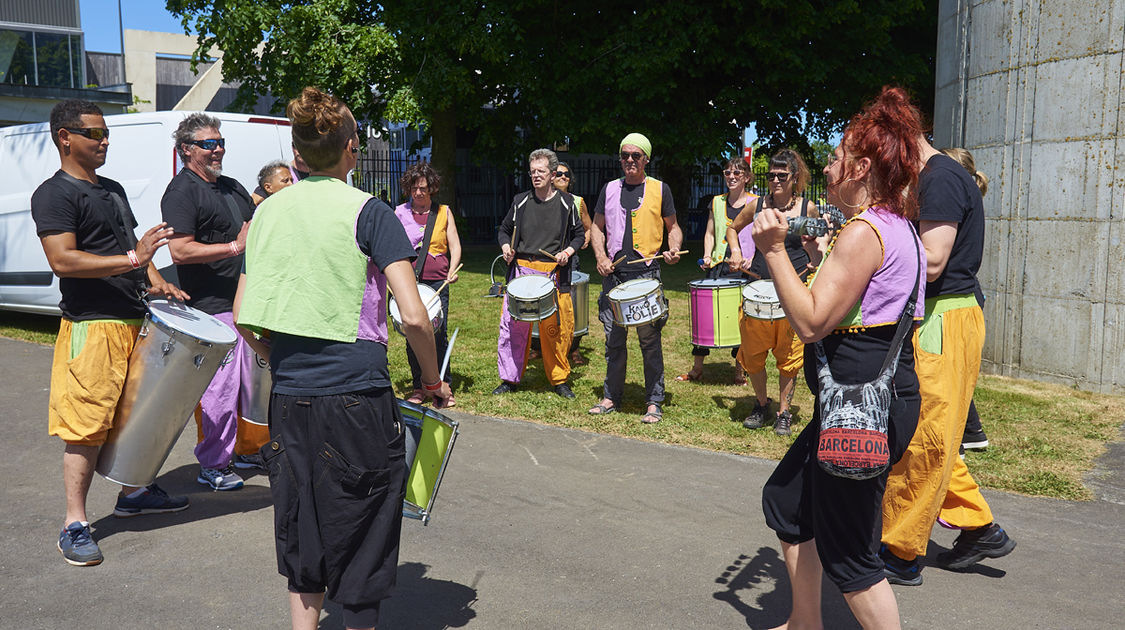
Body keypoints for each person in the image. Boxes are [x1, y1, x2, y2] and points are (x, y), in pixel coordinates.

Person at [235, 86, 451, 630]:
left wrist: (278, 358)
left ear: (299, 153)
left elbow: (243, 316)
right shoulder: (370, 212)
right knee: (363, 534)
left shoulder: (265, 214)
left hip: (289, 399)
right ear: (352, 147)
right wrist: (431, 379)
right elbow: (416, 316)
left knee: (301, 527)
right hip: (357, 398)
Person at [744, 86, 926, 629]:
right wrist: (820, 258)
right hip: (866, 394)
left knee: (851, 556)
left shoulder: (866, 232)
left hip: (859, 402)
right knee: (790, 502)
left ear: (863, 165)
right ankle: (805, 622)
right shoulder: (896, 227)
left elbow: (811, 322)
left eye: (839, 154)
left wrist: (774, 251)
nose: (828, 164)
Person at [32, 99, 190, 567]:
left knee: (133, 416)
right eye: (94, 134)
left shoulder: (113, 189)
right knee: (86, 427)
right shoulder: (54, 193)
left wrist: (159, 284)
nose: (105, 141)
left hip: (132, 322)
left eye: (106, 135)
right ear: (65, 136)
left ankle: (134, 492)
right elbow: (63, 260)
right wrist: (133, 261)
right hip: (91, 326)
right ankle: (75, 524)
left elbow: (133, 250)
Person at [880, 138, 1015, 585]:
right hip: (943, 316)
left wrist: (870, 249)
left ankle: (900, 551)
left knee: (922, 436)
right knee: (929, 431)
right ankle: (979, 527)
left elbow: (933, 261)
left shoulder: (938, 179)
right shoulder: (935, 178)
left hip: (945, 317)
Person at [161, 113, 258, 489]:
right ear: (187, 150)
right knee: (220, 389)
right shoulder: (181, 192)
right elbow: (180, 251)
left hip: (246, 301)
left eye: (220, 142)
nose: (217, 149)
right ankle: (214, 463)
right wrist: (234, 246)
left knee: (247, 385)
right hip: (212, 306)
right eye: (208, 143)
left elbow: (255, 227)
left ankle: (244, 448)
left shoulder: (231, 187)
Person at [726, 149, 824, 436]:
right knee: (753, 354)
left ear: (795, 178)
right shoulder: (756, 206)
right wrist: (735, 250)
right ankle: (760, 404)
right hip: (758, 287)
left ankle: (783, 411)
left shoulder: (807, 209)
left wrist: (814, 256)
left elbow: (820, 241)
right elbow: (733, 229)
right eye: (771, 176)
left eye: (782, 176)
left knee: (789, 356)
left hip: (794, 291)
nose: (776, 181)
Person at [588, 133, 683, 424]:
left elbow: (673, 227)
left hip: (647, 275)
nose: (630, 160)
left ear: (646, 159)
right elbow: (596, 227)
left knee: (649, 341)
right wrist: (601, 257)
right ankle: (610, 396)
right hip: (615, 277)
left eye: (636, 156)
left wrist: (674, 248)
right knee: (614, 340)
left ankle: (654, 401)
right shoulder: (609, 189)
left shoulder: (660, 189)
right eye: (625, 155)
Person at [494, 148, 585, 399]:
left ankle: (559, 380)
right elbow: (503, 229)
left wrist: (568, 251)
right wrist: (505, 246)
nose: (536, 176)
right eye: (532, 171)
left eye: (541, 171)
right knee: (514, 327)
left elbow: (580, 235)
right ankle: (509, 379)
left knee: (555, 329)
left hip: (553, 273)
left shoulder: (567, 203)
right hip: (522, 270)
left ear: (553, 174)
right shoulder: (520, 201)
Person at [676, 157, 755, 384]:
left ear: (747, 178)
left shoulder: (756, 202)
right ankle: (696, 369)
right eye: (727, 173)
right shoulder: (716, 202)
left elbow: (762, 236)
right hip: (718, 266)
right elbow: (710, 232)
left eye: (737, 173)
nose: (731, 177)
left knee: (742, 321)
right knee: (704, 317)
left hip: (743, 270)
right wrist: (708, 254)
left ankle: (739, 371)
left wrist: (751, 259)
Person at [393, 161, 462, 406]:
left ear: (431, 188)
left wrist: (452, 270)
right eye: (414, 189)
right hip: (409, 282)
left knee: (437, 332)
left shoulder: (443, 212)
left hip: (437, 281)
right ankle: (418, 386)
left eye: (423, 188)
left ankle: (444, 384)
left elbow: (454, 244)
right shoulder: (400, 213)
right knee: (413, 332)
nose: (419, 193)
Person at [942, 147, 991, 451]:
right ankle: (970, 431)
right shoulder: (969, 203)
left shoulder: (953, 204)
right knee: (955, 373)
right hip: (968, 296)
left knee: (949, 375)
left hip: (955, 301)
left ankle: (962, 435)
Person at [551, 161, 591, 364]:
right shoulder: (542, 199)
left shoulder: (577, 201)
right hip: (545, 260)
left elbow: (588, 227)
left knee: (572, 305)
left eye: (566, 174)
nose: (563, 177)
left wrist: (584, 240)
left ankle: (573, 350)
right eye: (559, 173)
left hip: (570, 259)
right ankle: (540, 346)